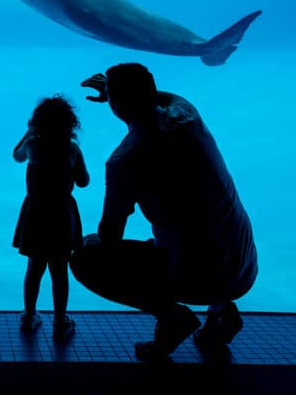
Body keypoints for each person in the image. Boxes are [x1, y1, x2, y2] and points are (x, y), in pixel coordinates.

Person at [70, 63, 258, 361]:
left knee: (87, 254)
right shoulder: (188, 115)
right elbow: (166, 98)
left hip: (197, 277)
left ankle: (172, 318)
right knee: (201, 230)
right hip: (244, 265)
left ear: (115, 105)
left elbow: (110, 237)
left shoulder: (125, 160)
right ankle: (221, 311)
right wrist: (116, 91)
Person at [12, 95, 90, 340]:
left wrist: (28, 132)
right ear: (70, 123)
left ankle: (29, 314)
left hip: (35, 213)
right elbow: (84, 181)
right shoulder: (72, 149)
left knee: (34, 267)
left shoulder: (33, 145)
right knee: (59, 269)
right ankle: (59, 319)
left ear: (38, 123)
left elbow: (16, 155)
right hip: (61, 214)